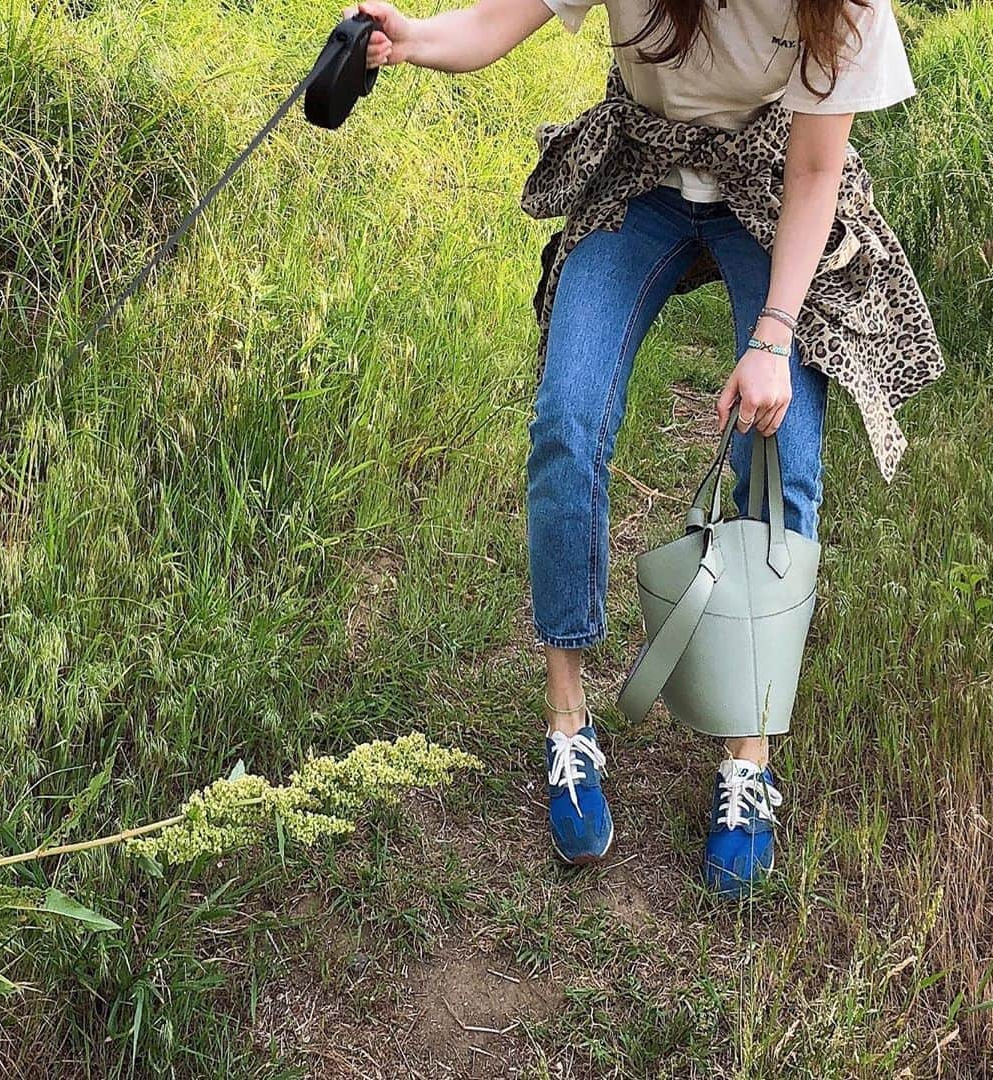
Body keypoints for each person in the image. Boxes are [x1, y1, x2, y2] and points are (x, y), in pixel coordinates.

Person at [340, 0, 917, 895]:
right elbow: (497, 23)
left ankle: (747, 755)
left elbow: (814, 171)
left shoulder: (841, 6)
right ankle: (569, 723)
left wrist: (772, 339)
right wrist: (405, 37)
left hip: (770, 190)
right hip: (640, 177)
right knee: (567, 423)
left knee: (785, 454)